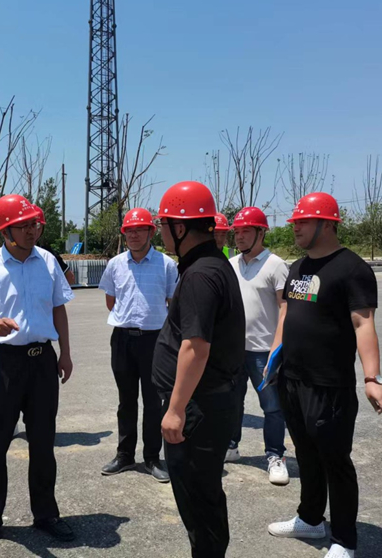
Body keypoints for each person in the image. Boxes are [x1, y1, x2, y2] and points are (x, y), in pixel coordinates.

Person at [267, 192, 382, 558]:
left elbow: (363, 323)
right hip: (293, 379)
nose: (296, 228)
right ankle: (310, 518)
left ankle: (344, 540)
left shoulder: (352, 269)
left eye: (303, 222)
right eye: (295, 223)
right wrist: (274, 358)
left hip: (329, 385)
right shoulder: (297, 268)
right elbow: (287, 314)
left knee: (335, 460)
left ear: (327, 224)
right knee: (305, 453)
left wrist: (372, 378)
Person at [0, 194, 76, 553]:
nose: (32, 231)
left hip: (42, 361)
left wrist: (65, 353)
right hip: (3, 364)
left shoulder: (48, 261)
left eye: (34, 224)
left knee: (43, 441)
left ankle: (46, 515)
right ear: (6, 231)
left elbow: (58, 308)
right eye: (23, 226)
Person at [152, 181, 245, 557]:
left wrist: (176, 409)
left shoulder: (200, 275)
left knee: (198, 499)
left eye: (163, 224)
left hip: (197, 409)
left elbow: (196, 347)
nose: (160, 231)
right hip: (207, 402)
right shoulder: (212, 264)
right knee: (203, 495)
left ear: (180, 228)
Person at [98, 208, 178, 483]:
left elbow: (172, 303)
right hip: (122, 339)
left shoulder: (166, 265)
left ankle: (153, 457)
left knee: (154, 402)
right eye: (129, 231)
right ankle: (125, 454)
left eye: (139, 230)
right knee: (126, 400)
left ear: (151, 232)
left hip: (154, 340)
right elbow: (111, 301)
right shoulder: (116, 264)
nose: (133, 235)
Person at [226, 207, 290, 486]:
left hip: (264, 351)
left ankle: (275, 456)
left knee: (272, 407)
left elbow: (285, 308)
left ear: (261, 233)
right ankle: (231, 446)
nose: (239, 236)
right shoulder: (231, 264)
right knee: (231, 402)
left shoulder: (276, 265)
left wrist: (278, 348)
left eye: (246, 231)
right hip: (234, 350)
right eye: (237, 232)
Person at [34, 204, 76, 286]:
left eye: (37, 226)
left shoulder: (48, 254)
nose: (33, 230)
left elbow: (70, 278)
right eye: (27, 225)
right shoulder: (12, 255)